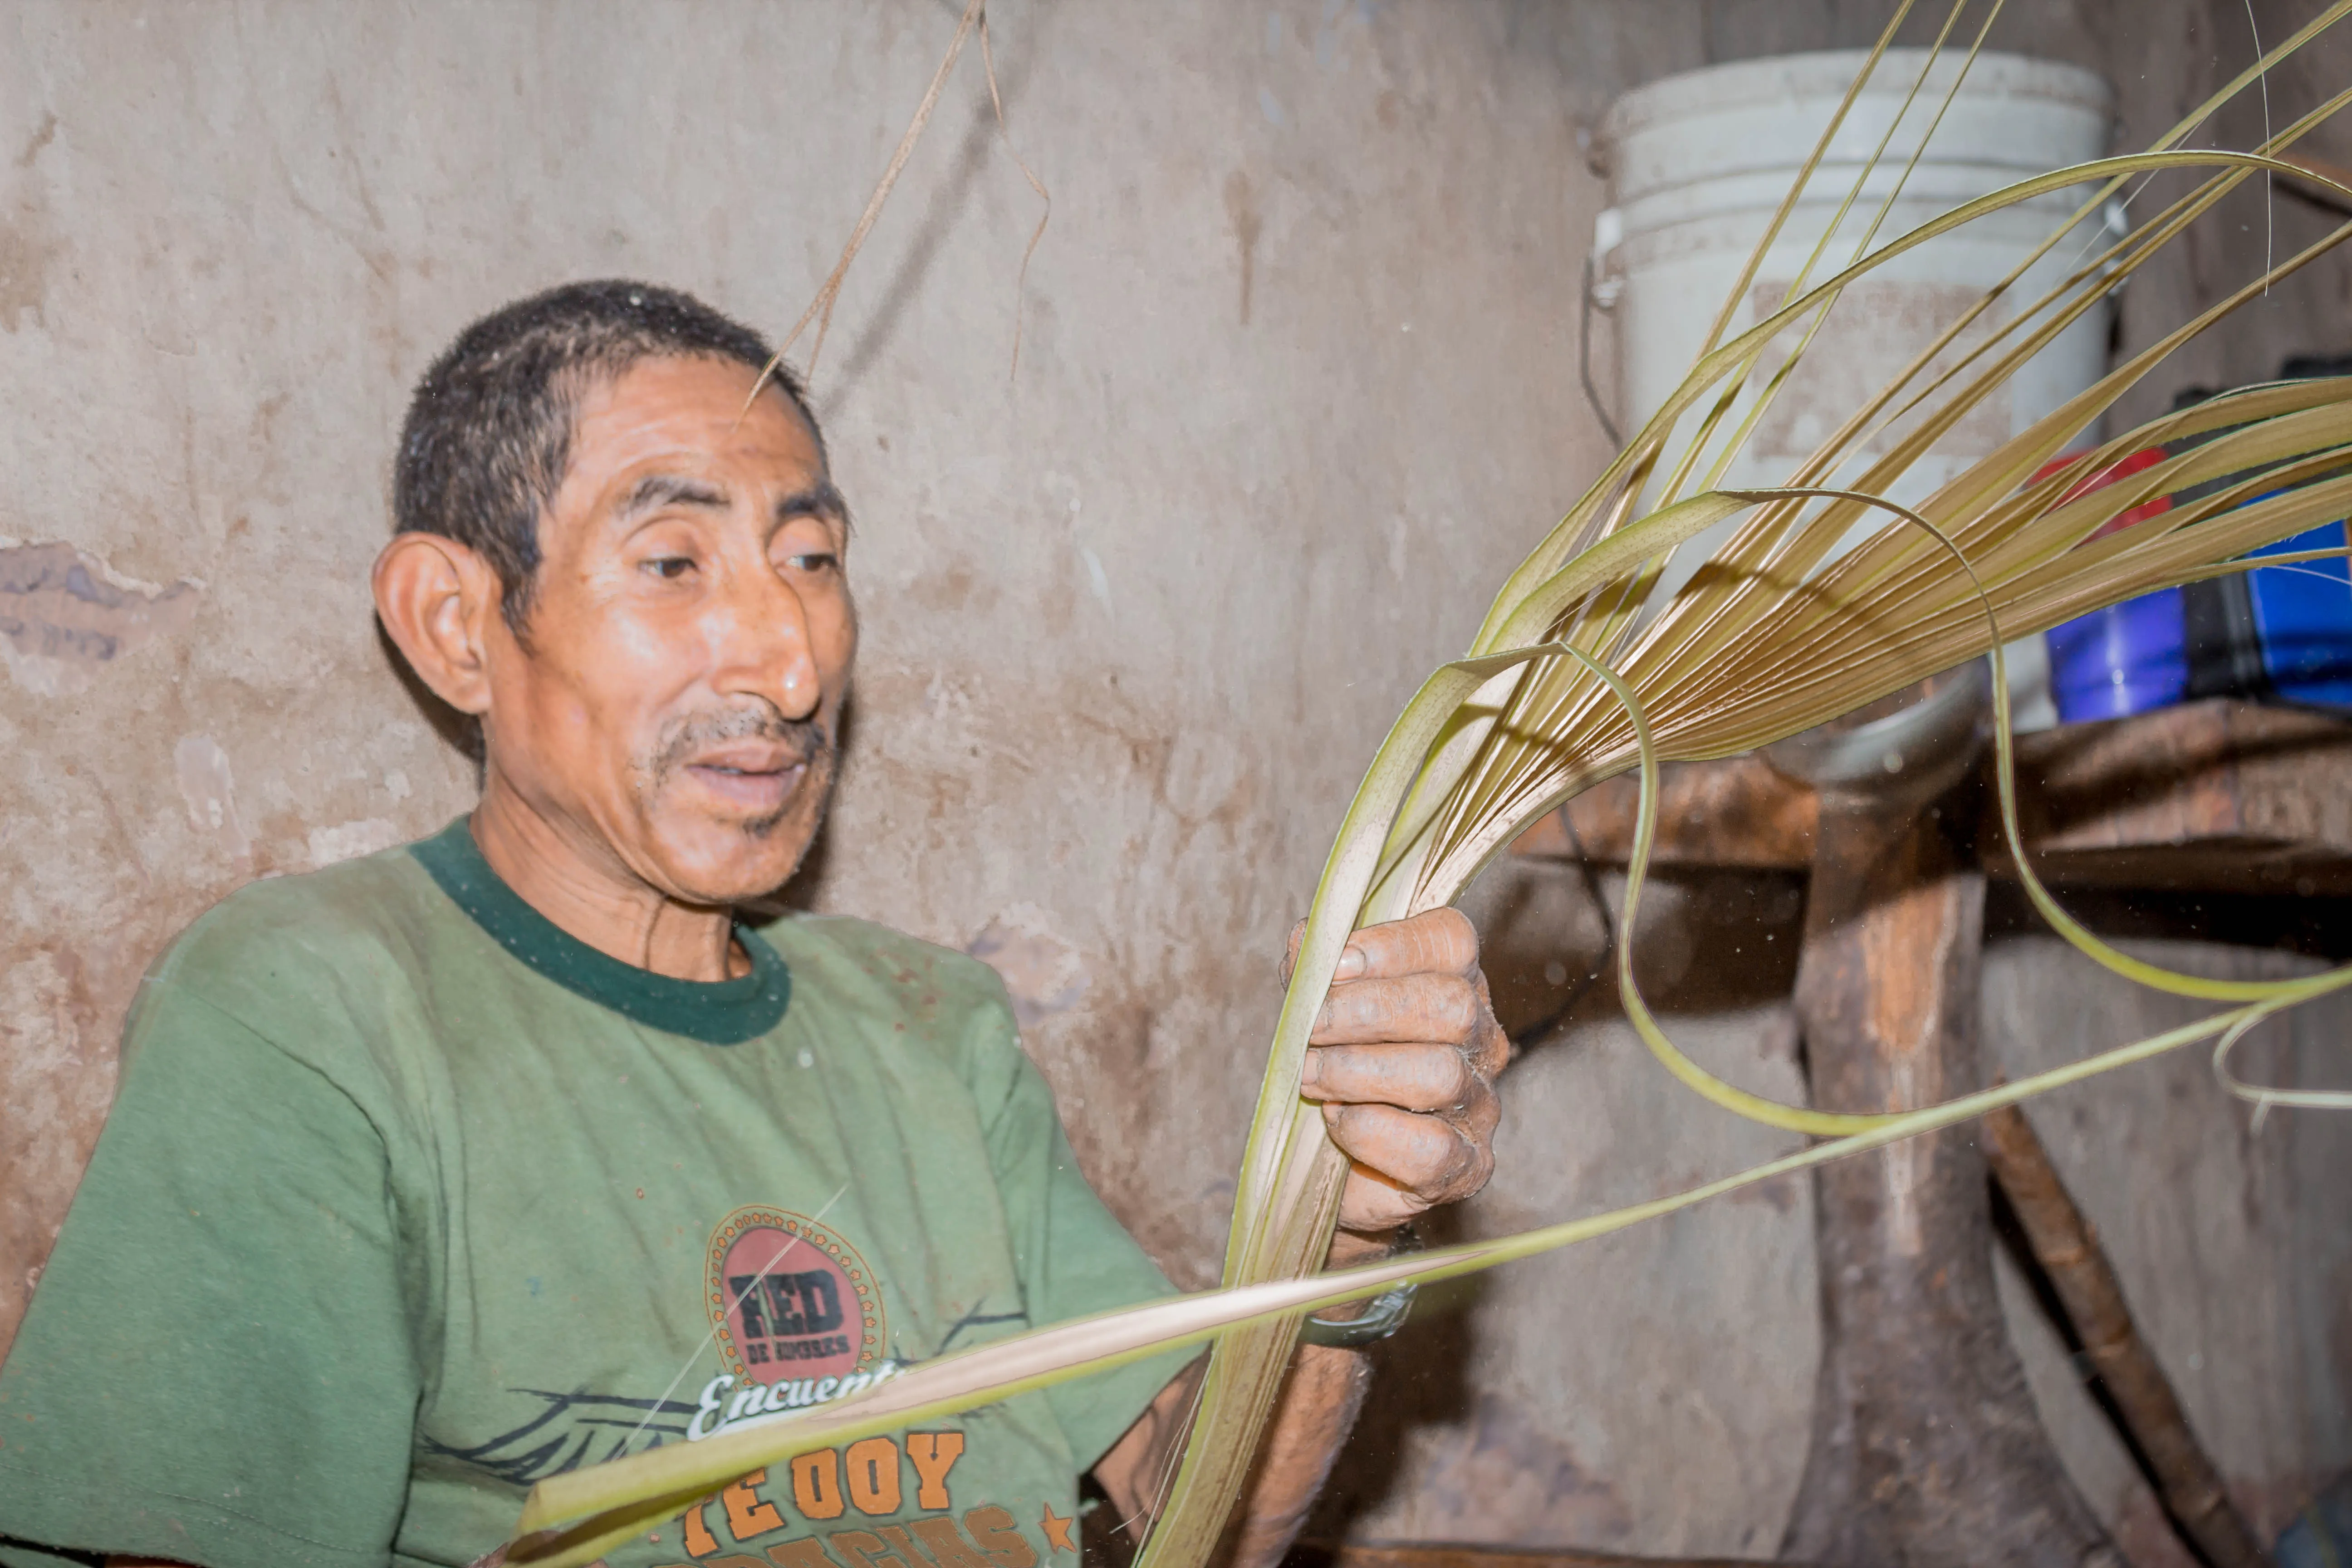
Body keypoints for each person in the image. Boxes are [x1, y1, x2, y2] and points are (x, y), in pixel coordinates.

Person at [0, 282, 1510, 1568]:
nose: (790, 660)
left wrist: (1354, 1223)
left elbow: (1205, 1516)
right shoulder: (313, 1012)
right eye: (674, 562)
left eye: (811, 558)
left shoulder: (932, 1029)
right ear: (457, 623)